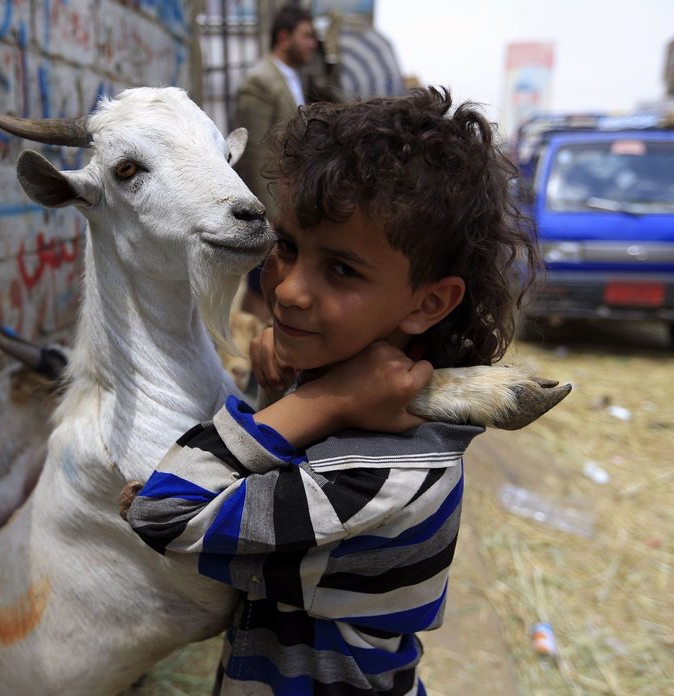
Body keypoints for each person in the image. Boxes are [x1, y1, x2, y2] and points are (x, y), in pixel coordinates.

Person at [123, 87, 539, 695]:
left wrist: (315, 403)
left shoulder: (384, 477)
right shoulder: (351, 404)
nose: (288, 291)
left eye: (341, 270)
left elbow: (164, 512)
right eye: (287, 247)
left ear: (429, 303)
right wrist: (281, 391)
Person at [233, 5, 319, 320]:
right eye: (307, 35)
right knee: (261, 284)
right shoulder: (259, 81)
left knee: (272, 280)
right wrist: (267, 213)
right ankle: (250, 354)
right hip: (269, 206)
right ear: (284, 37)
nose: (313, 43)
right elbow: (253, 150)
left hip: (284, 203)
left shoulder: (290, 78)